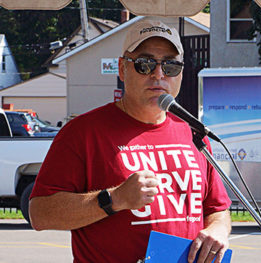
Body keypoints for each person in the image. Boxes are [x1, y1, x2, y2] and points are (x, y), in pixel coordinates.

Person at [29, 20, 232, 263]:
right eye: (145, 64)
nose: (159, 74)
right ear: (123, 69)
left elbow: (217, 209)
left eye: (170, 66)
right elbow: (40, 214)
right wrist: (114, 199)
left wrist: (218, 230)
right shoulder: (82, 132)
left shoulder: (193, 135)